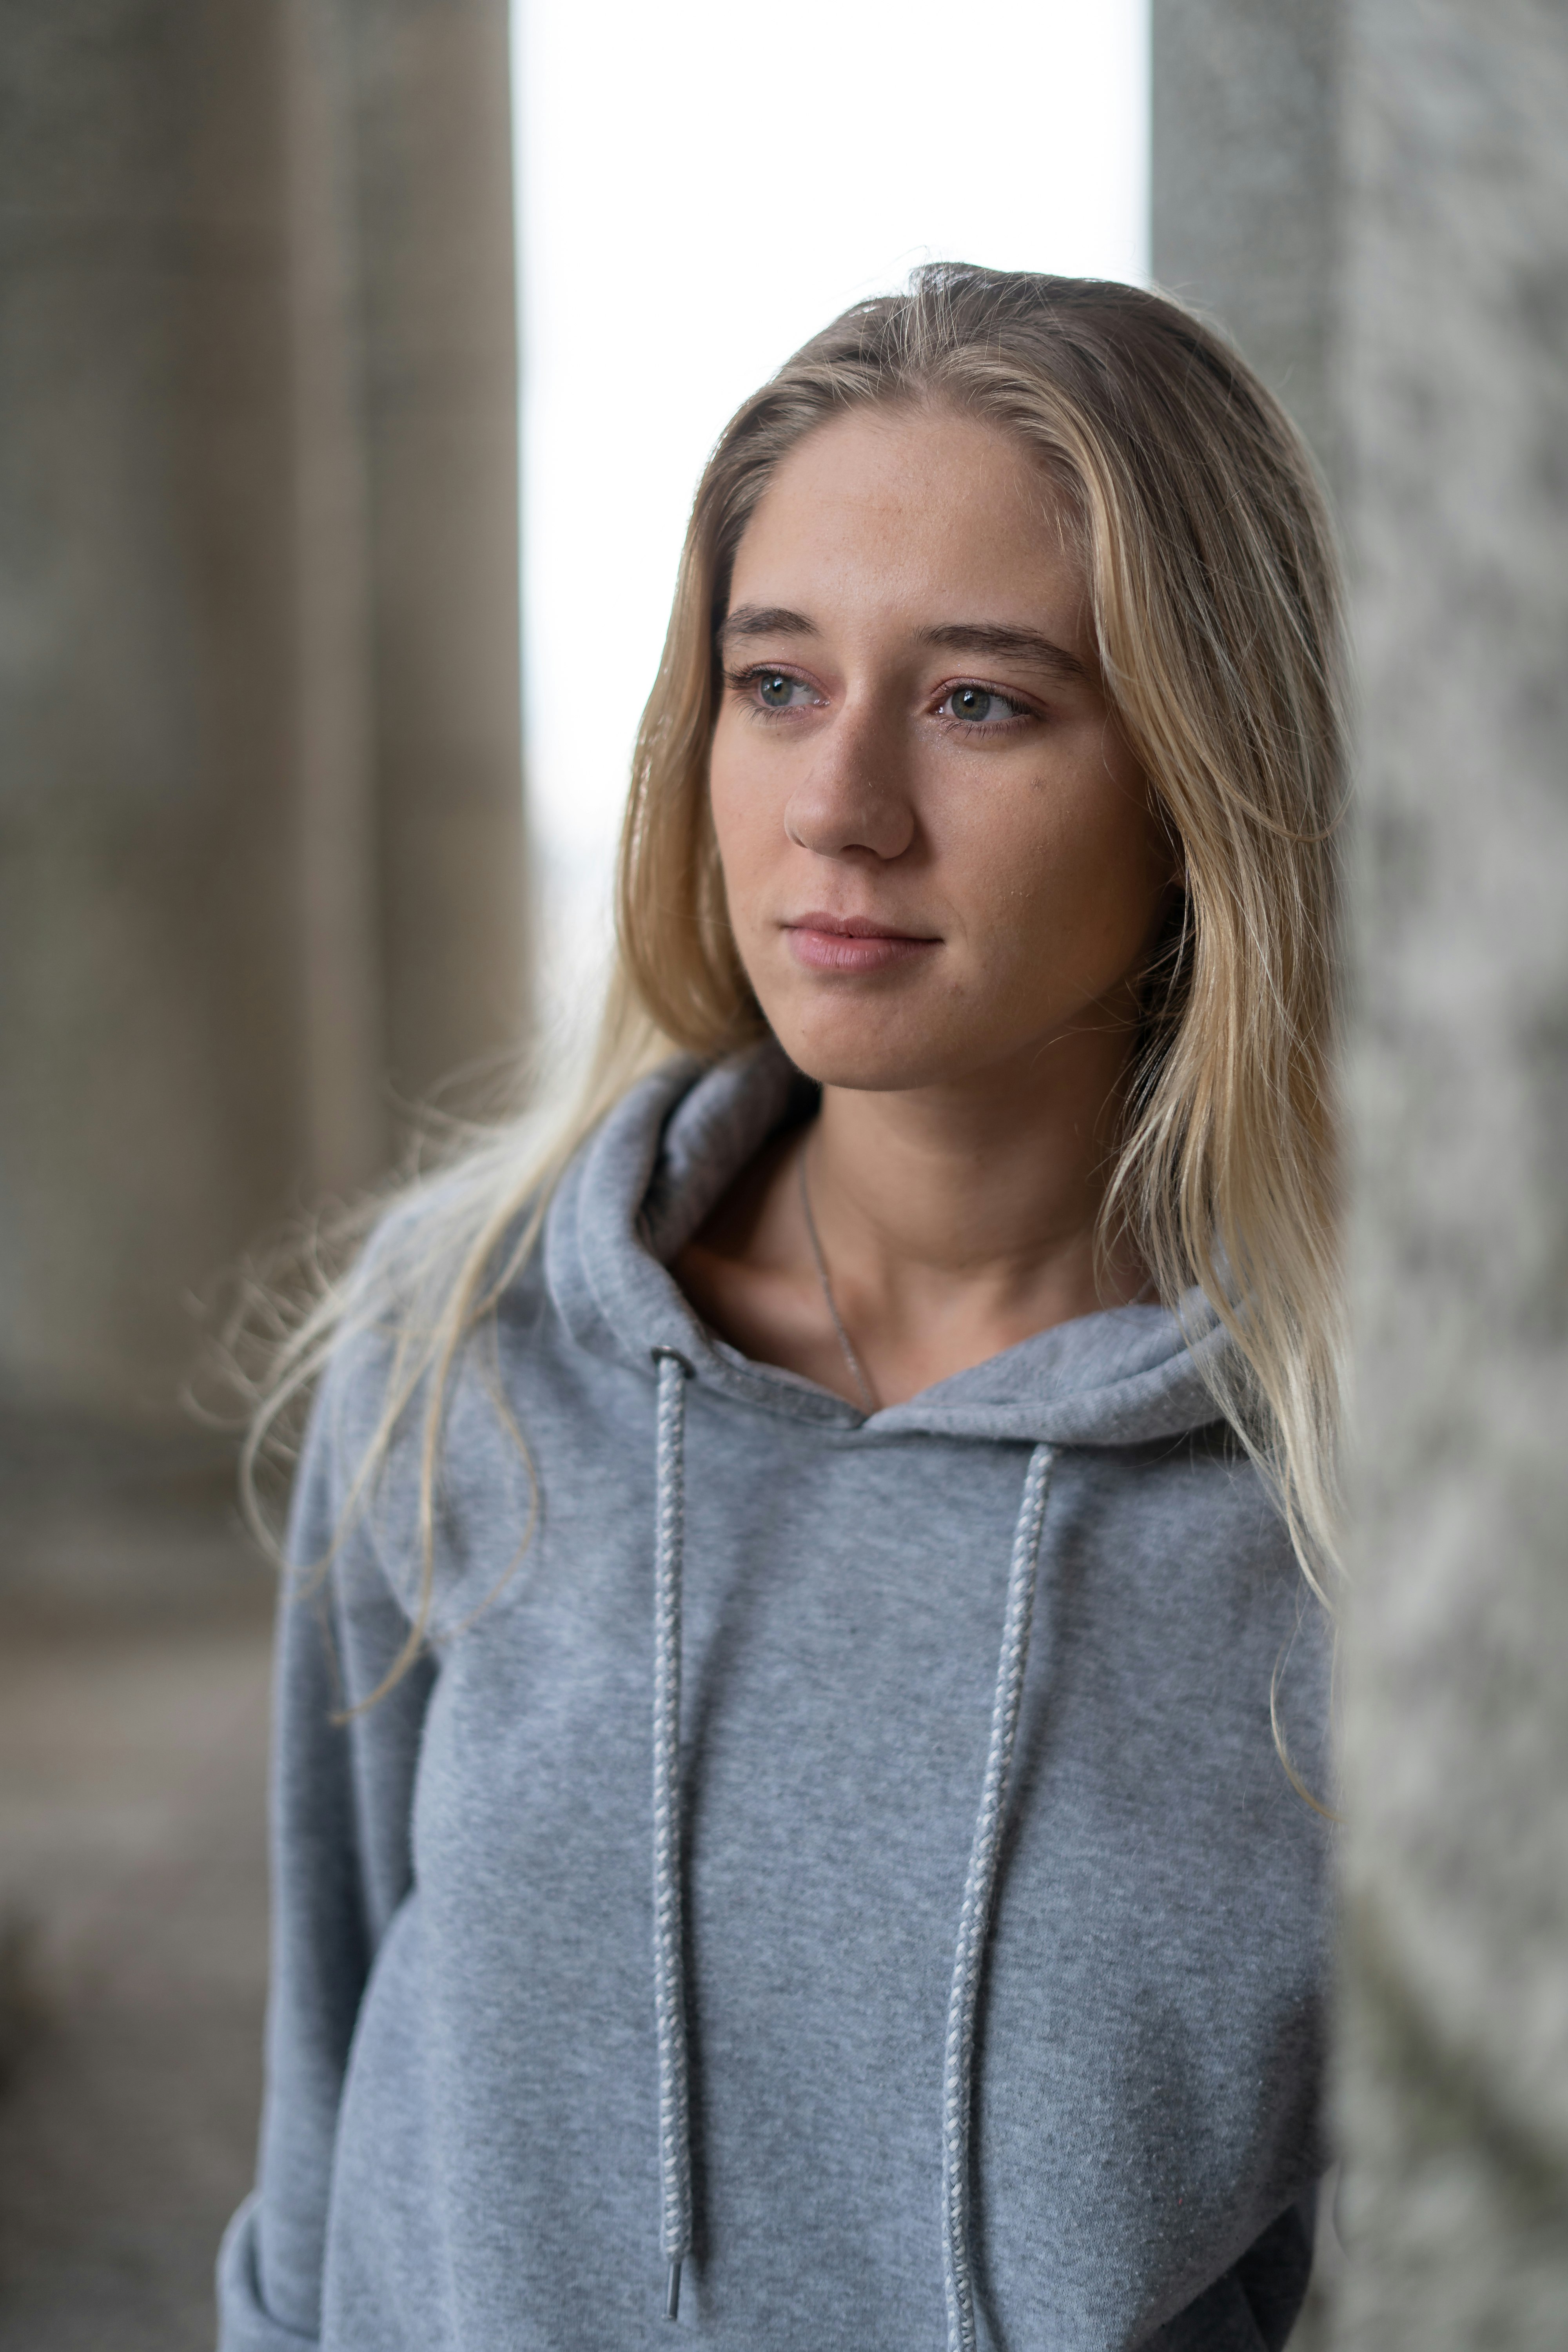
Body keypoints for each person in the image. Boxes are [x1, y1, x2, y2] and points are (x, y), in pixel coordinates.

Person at [218, 265, 1344, 2352]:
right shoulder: (463, 1338)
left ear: (1203, 779)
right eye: (778, 684)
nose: (843, 813)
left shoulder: (1370, 1492)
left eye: (983, 699)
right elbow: (320, 2116)